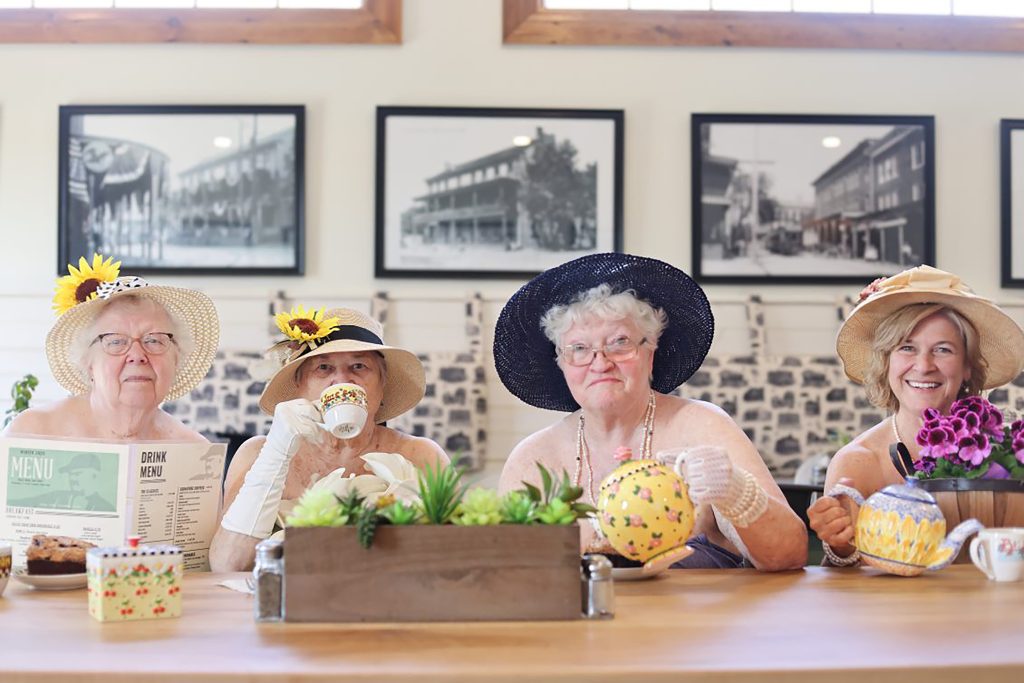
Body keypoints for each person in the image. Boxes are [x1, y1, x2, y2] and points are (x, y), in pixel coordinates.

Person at [495, 252, 807, 571]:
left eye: (619, 343)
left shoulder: (703, 427)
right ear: (561, 363)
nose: (600, 363)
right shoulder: (532, 459)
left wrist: (735, 491)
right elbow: (504, 575)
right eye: (579, 349)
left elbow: (790, 553)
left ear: (650, 351)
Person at [807, 265, 1024, 566]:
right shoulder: (857, 462)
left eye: (943, 350)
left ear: (967, 367)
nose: (924, 366)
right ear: (886, 362)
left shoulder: (1006, 453)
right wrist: (840, 544)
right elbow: (842, 577)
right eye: (907, 347)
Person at [210, 306, 449, 571]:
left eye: (359, 366)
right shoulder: (256, 453)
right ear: (299, 386)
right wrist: (277, 448)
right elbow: (228, 565)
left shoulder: (421, 454)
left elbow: (455, 557)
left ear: (382, 385)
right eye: (323, 367)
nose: (342, 380)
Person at [6, 254, 219, 443]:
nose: (137, 355)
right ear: (88, 363)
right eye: (116, 341)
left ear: (176, 359)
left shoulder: (193, 450)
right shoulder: (32, 432)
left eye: (154, 340)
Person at [8, 452, 115, 512]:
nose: (72, 479)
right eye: (70, 474)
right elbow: (25, 502)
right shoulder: (57, 496)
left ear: (94, 475)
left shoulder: (106, 508)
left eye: (78, 474)